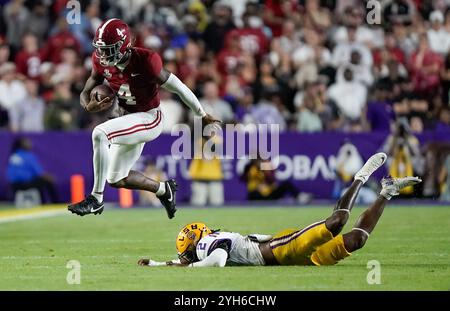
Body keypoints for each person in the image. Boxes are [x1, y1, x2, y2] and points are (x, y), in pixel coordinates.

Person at [138, 153, 422, 268]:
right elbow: (188, 262)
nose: (186, 254)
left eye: (188, 249)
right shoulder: (204, 244)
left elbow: (218, 260)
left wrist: (187, 267)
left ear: (199, 239)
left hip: (281, 249)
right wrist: (159, 265)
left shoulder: (210, 243)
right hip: (291, 259)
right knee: (356, 240)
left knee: (336, 221)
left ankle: (361, 176)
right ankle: (387, 191)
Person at [68, 19, 220, 218]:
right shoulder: (100, 60)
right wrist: (88, 104)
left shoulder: (146, 60)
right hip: (128, 118)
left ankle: (96, 199)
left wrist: (201, 114)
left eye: (109, 49)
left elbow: (179, 87)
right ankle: (163, 190)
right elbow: (87, 88)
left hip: (149, 118)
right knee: (116, 178)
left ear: (123, 45)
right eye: (101, 48)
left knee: (100, 133)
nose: (103, 54)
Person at [6, 137, 58, 204]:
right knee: (46, 180)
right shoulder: (28, 156)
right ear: (22, 145)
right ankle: (55, 202)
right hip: (24, 184)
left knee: (39, 181)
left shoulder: (13, 155)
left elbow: (9, 174)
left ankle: (43, 201)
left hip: (13, 186)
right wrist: (49, 177)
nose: (30, 144)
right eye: (27, 142)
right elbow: (39, 173)